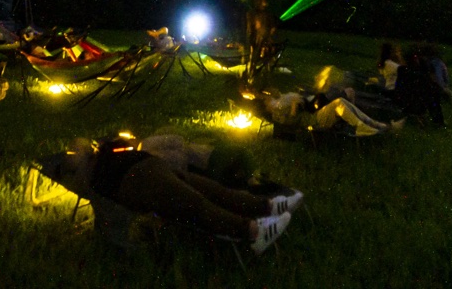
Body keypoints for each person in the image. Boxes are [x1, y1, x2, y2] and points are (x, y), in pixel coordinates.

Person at [50, 134, 301, 254]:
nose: (81, 148)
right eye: (76, 150)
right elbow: (109, 219)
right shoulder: (89, 176)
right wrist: (127, 244)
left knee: (213, 189)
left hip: (153, 166)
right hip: (137, 181)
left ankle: (267, 206)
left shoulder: (104, 153)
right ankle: (253, 232)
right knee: (195, 203)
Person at [264, 88, 403, 137]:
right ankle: (364, 126)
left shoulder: (280, 101)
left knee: (341, 101)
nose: (269, 98)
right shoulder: (276, 115)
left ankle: (378, 124)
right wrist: (295, 105)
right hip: (314, 120)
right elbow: (290, 123)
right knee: (339, 103)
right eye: (266, 99)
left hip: (315, 112)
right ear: (266, 107)